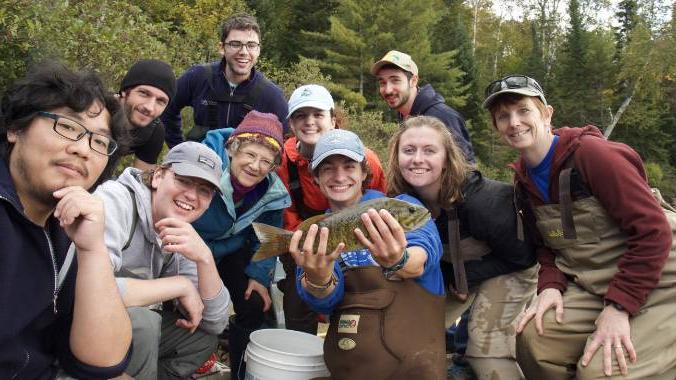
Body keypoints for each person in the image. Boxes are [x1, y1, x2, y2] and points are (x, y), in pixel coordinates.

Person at [483, 75, 676, 379]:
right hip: (597, 284)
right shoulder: (523, 182)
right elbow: (546, 246)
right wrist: (549, 285)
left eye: (523, 110)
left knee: (600, 373)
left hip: (661, 281)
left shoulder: (593, 156)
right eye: (503, 116)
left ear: (547, 114)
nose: (514, 122)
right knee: (534, 341)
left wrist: (619, 307)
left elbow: (654, 231)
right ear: (496, 128)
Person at [0, 63, 132, 379]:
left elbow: (104, 361)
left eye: (99, 142)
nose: (82, 149)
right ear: (16, 128)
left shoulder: (67, 227)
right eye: (67, 126)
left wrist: (92, 250)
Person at [386, 115, 538, 379]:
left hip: (513, 267)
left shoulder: (484, 202)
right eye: (408, 151)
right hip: (461, 270)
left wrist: (463, 278)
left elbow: (523, 257)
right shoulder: (401, 202)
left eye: (429, 151)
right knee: (411, 336)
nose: (417, 159)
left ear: (447, 157)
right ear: (397, 157)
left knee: (485, 348)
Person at [292, 129, 446, 379]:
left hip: (415, 370)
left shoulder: (400, 207)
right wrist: (318, 280)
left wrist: (400, 260)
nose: (339, 176)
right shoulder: (317, 231)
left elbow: (421, 256)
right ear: (316, 178)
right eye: (328, 168)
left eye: (349, 166)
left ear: (364, 172)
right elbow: (323, 302)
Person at [95, 141, 230, 379]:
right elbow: (88, 290)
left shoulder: (181, 231)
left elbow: (215, 322)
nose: (192, 195)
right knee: (144, 323)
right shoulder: (116, 200)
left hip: (117, 328)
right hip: (71, 324)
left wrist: (205, 259)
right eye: (184, 180)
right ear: (158, 176)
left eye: (204, 191)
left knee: (200, 339)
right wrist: (180, 285)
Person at [275, 84, 387, 335]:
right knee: (298, 304)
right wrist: (307, 246)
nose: (310, 122)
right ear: (291, 124)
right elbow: (284, 211)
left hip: (360, 243)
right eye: (301, 116)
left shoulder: (367, 159)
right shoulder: (282, 161)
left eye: (318, 115)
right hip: (306, 243)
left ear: (334, 120)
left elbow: (378, 202)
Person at [192, 110, 290, 379]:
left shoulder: (272, 194)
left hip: (229, 252)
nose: (256, 166)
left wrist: (259, 276)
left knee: (254, 302)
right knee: (191, 302)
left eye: (266, 161)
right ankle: (186, 360)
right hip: (186, 250)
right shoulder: (203, 168)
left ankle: (240, 371)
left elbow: (269, 240)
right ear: (233, 149)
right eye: (250, 154)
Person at [162, 13, 288, 147]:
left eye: (251, 45)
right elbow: (166, 107)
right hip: (198, 162)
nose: (244, 52)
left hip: (244, 166)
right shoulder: (198, 77)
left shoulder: (270, 94)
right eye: (235, 44)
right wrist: (178, 147)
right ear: (222, 48)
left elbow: (287, 138)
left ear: (258, 50)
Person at [372, 50, 475, 162]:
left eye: (395, 80)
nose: (388, 90)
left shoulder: (442, 116)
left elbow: (467, 170)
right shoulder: (404, 116)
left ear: (413, 81)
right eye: (382, 82)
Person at [118, 59, 176, 171]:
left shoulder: (154, 131)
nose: (149, 107)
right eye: (144, 94)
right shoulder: (97, 112)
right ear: (125, 91)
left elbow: (140, 181)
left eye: (161, 101)